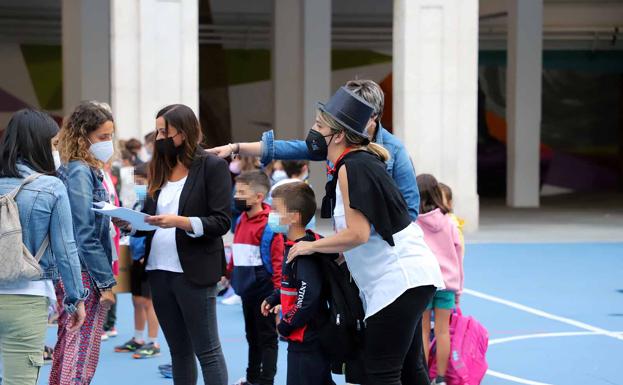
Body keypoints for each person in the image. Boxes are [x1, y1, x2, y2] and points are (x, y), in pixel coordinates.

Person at [287, 87, 445, 385]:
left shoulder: (352, 167)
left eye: (320, 126)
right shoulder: (360, 162)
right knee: (410, 369)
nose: (313, 131)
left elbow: (358, 234)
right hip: (410, 276)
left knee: (381, 373)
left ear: (338, 135)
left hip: (398, 280)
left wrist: (313, 247)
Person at [120, 104, 231, 385]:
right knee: (179, 351)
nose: (158, 138)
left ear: (183, 132)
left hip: (194, 272)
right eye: (157, 131)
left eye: (163, 131)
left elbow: (221, 222)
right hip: (158, 271)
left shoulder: (212, 166)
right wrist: (130, 223)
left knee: (207, 351)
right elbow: (150, 216)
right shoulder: (159, 167)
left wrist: (180, 221)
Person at [207, 79, 420, 221]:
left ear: (373, 117)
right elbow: (288, 148)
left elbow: (410, 210)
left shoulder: (394, 151)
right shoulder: (334, 142)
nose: (344, 122)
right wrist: (234, 147)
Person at [0, 108, 87, 385]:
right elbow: (66, 249)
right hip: (27, 298)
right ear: (39, 144)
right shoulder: (51, 187)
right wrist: (75, 299)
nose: (56, 150)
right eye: (53, 144)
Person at [50, 101, 117, 385]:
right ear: (83, 136)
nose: (109, 143)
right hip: (85, 272)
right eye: (103, 137)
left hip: (74, 269)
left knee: (68, 342)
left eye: (111, 136)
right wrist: (107, 283)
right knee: (81, 351)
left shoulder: (73, 168)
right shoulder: (79, 171)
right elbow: (84, 232)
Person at [262, 182, 335, 385]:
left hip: (307, 337)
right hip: (305, 337)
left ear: (294, 217)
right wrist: (275, 297)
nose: (271, 213)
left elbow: (308, 294)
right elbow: (293, 282)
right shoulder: (293, 245)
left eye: (276, 210)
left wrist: (287, 323)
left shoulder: (303, 252)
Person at [228, 170, 284, 385]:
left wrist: (278, 293)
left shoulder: (272, 222)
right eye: (236, 191)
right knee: (251, 335)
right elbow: (237, 247)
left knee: (267, 337)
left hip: (264, 288)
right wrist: (230, 270)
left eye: (242, 192)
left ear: (259, 198)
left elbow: (279, 259)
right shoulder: (242, 218)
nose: (236, 196)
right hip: (245, 285)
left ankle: (266, 380)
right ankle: (252, 378)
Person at [416, 175, 464, 385]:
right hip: (447, 283)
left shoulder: (413, 222)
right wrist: (459, 290)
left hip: (423, 281)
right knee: (443, 331)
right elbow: (458, 255)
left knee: (423, 331)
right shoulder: (449, 222)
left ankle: (424, 375)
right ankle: (441, 378)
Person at [114, 163, 161, 359]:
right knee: (137, 300)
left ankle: (153, 342)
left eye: (141, 182)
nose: (138, 186)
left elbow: (153, 228)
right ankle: (138, 338)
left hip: (147, 257)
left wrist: (144, 255)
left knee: (149, 302)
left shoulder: (156, 200)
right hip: (135, 256)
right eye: (136, 182)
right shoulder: (140, 201)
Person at [439, 182, 465, 248]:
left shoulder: (453, 225)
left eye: (440, 200)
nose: (436, 203)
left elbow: (459, 252)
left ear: (449, 204)